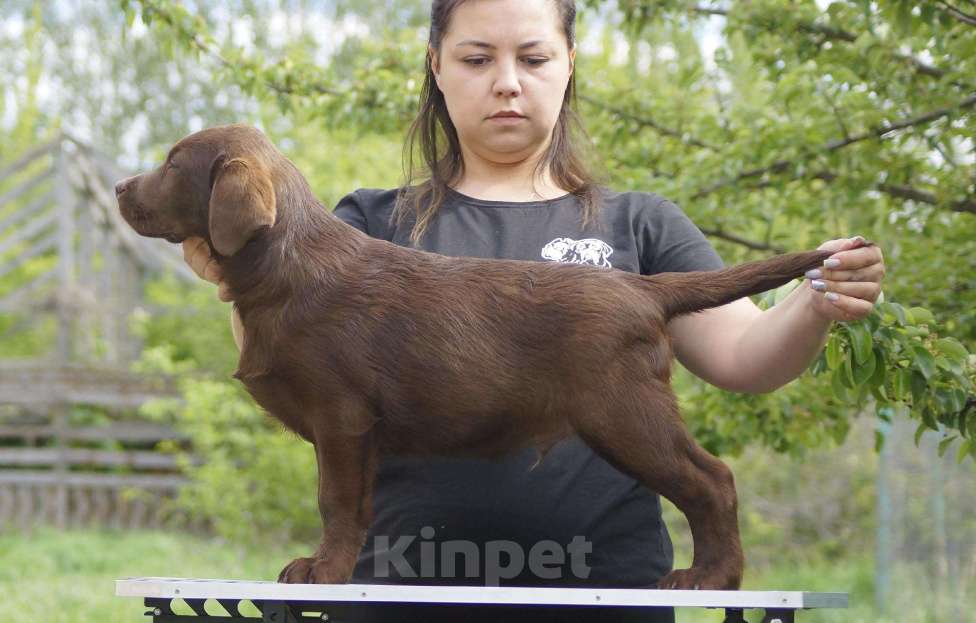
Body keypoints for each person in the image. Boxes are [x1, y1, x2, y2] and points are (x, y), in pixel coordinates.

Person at [182, 0, 886, 620]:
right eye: (477, 57)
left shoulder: (639, 223)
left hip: (610, 592)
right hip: (403, 591)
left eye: (534, 56)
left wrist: (818, 294)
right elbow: (304, 374)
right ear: (436, 65)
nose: (507, 81)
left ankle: (717, 538)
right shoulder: (366, 224)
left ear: (569, 63)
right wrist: (236, 275)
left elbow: (746, 356)